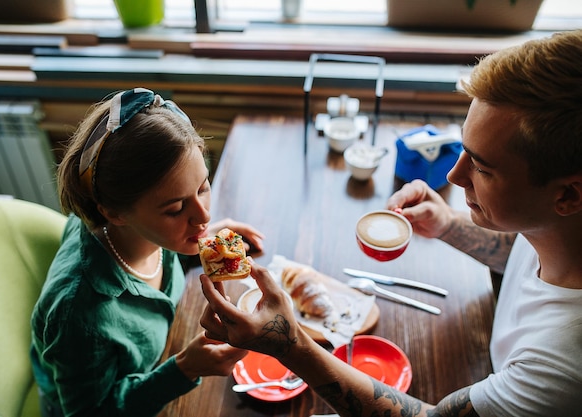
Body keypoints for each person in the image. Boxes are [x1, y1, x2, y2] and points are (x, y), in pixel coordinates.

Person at [199, 30, 582, 417]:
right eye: (464, 151)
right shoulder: (557, 234)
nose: (454, 175)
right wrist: (447, 223)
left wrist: (291, 345)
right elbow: (514, 250)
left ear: (568, 196)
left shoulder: (562, 365)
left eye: (482, 167)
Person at [30, 87, 265, 417]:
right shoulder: (80, 317)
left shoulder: (144, 232)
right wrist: (183, 368)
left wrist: (204, 241)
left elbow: (188, 221)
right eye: (175, 208)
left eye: (203, 187)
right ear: (114, 213)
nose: (204, 215)